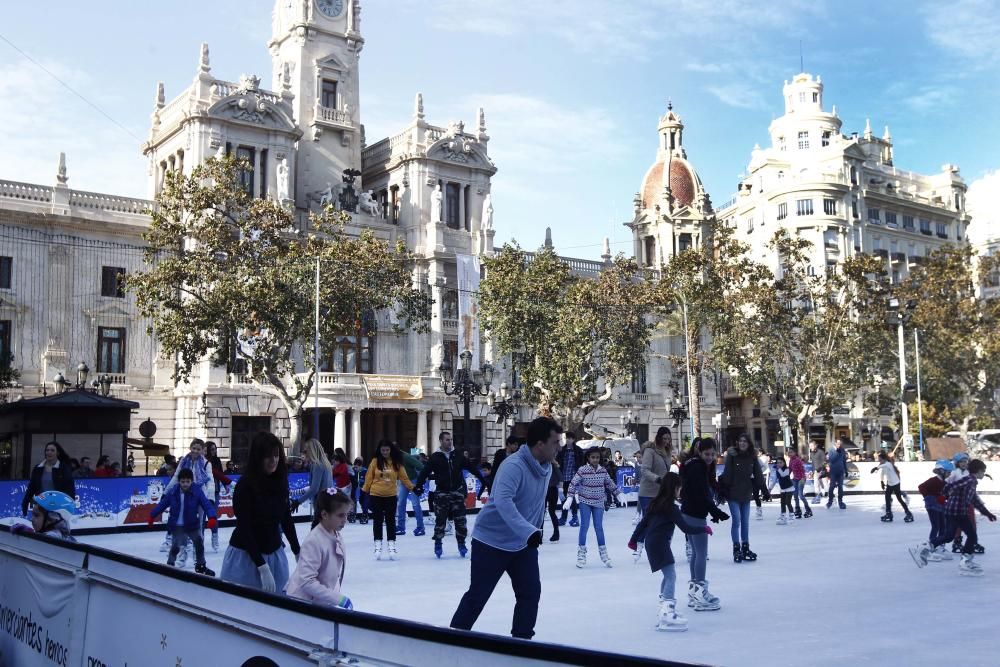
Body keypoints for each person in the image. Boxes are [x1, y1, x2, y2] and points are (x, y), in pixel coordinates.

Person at [450, 416, 562, 640]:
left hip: (523, 544)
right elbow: (503, 501)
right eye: (555, 442)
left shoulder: (546, 467)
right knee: (478, 596)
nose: (558, 447)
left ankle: (521, 643)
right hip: (491, 541)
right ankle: (451, 640)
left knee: (530, 593)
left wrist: (535, 529)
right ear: (540, 444)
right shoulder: (513, 466)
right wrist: (528, 531)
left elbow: (537, 502)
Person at [628, 472, 712, 632]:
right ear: (674, 488)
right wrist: (704, 528)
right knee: (671, 576)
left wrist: (633, 540)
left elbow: (642, 523)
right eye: (679, 488)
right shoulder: (671, 508)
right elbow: (685, 528)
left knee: (668, 575)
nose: (680, 492)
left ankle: (664, 609)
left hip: (652, 543)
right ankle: (667, 612)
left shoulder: (655, 503)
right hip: (660, 544)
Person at [220, 432, 301, 593]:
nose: (273, 461)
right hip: (245, 557)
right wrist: (261, 566)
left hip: (274, 553)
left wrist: (297, 550)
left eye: (276, 455)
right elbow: (245, 528)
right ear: (258, 458)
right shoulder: (245, 486)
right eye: (268, 456)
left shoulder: (280, 481)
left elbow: (286, 518)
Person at [913, 459, 996, 575]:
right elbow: (951, 485)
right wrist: (943, 496)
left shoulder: (971, 482)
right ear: (979, 471)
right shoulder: (969, 480)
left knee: (948, 536)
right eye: (983, 471)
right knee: (972, 536)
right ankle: (965, 562)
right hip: (957, 512)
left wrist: (987, 513)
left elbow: (974, 500)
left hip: (952, 511)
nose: (984, 474)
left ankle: (924, 547)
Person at [412, 431, 486, 559]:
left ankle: (461, 543)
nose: (450, 442)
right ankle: (438, 543)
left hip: (457, 492)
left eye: (451, 439)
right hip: (442, 493)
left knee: (460, 520)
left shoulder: (458, 455)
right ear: (441, 441)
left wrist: (483, 479)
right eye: (447, 439)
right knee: (440, 520)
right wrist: (418, 486)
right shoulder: (435, 457)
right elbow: (424, 472)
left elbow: (471, 468)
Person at [678, 437, 728, 611]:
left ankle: (694, 592)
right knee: (701, 553)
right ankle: (700, 593)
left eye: (713, 454)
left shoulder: (691, 464)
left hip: (688, 511)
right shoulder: (698, 467)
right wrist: (715, 511)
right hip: (695, 513)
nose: (710, 457)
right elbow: (701, 494)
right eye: (707, 454)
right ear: (700, 452)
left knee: (695, 554)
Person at [285, 488, 353, 610]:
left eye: (347, 514)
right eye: (341, 515)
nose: (345, 519)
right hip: (302, 605)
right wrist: (337, 598)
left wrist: (333, 595)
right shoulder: (314, 541)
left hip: (320, 602)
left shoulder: (335, 533)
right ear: (325, 514)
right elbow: (306, 581)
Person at [148, 467, 218, 576]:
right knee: (175, 546)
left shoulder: (196, 491)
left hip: (191, 524)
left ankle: (200, 565)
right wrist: (152, 516)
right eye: (183, 481)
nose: (185, 484)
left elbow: (206, 504)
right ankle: (170, 564)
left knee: (199, 543)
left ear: (191, 481)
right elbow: (163, 504)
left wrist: (212, 517)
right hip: (178, 525)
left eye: (188, 481)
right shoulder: (173, 491)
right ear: (179, 481)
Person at [566, 445, 619, 568]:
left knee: (599, 528)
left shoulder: (603, 470)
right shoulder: (583, 470)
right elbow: (573, 483)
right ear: (588, 458)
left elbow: (609, 483)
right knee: (584, 526)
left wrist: (618, 493)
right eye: (593, 457)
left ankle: (604, 554)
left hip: (599, 502)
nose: (595, 460)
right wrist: (570, 497)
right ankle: (581, 554)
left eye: (597, 457)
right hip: (585, 502)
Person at [162, 439, 214, 564]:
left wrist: (211, 497)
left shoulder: (207, 464)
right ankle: (183, 552)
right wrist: (166, 492)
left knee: (199, 526)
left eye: (198, 449)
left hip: (200, 495)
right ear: (190, 448)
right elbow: (176, 477)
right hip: (184, 495)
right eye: (193, 448)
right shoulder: (183, 461)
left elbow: (210, 481)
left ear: (202, 450)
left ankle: (197, 554)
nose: (195, 451)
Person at [718, 432, 768, 563]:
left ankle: (745, 547)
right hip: (733, 493)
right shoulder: (732, 456)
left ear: (749, 443)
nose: (742, 443)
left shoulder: (752, 457)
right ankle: (736, 548)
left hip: (746, 493)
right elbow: (727, 473)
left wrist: (764, 489)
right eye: (740, 441)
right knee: (737, 520)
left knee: (745, 522)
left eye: (744, 441)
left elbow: (758, 474)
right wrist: (723, 490)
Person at [362, 440, 414, 560]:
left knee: (390, 521)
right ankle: (378, 545)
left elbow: (404, 478)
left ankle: (391, 545)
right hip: (376, 495)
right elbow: (369, 477)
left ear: (391, 450)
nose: (385, 452)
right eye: (383, 450)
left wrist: (413, 487)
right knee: (377, 521)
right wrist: (364, 491)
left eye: (387, 450)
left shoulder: (396, 462)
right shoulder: (375, 461)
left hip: (390, 496)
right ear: (379, 450)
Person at [908, 459, 955, 565]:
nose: (950, 474)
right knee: (936, 526)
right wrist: (929, 497)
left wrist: (946, 496)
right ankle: (930, 548)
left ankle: (939, 546)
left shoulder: (945, 482)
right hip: (932, 506)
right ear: (941, 471)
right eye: (948, 472)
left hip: (941, 506)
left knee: (943, 526)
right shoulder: (933, 480)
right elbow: (921, 487)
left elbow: (944, 494)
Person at [21, 441, 76, 517]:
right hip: (42, 504)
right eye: (47, 450)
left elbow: (70, 488)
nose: (49, 452)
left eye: (52, 450)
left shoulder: (64, 468)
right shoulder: (38, 468)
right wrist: (25, 503)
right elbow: (31, 488)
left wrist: (70, 505)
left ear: (58, 453)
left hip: (58, 506)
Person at [12, 490, 78, 541]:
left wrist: (27, 536)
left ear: (51, 519)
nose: (32, 519)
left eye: (36, 515)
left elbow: (40, 544)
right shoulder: (57, 534)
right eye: (33, 515)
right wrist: (29, 532)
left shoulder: (53, 537)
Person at [293, 439, 334, 515]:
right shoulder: (325, 463)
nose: (305, 454)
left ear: (312, 451)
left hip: (321, 504)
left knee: (319, 526)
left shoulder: (317, 465)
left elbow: (314, 489)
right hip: (327, 501)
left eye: (306, 451)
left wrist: (298, 501)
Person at [639, 428, 672, 518]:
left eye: (668, 439)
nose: (666, 441)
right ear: (658, 437)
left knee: (659, 523)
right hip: (648, 494)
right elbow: (644, 470)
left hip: (662, 493)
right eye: (664, 438)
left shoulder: (668, 452)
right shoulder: (650, 451)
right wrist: (657, 479)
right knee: (648, 523)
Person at [205, 441, 232, 552]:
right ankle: (199, 540)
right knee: (201, 517)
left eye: (215, 449)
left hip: (215, 490)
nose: (214, 451)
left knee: (213, 515)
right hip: (203, 490)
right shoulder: (203, 460)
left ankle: (214, 536)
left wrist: (225, 484)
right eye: (212, 449)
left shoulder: (216, 460)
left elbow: (220, 473)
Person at [556, 431, 585, 527]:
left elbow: (582, 463)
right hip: (563, 477)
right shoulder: (561, 450)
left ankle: (573, 517)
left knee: (570, 497)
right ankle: (568, 517)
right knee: (565, 497)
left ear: (573, 439)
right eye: (566, 438)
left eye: (569, 438)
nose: (567, 440)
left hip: (574, 477)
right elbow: (557, 463)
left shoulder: (578, 450)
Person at [874, 451, 913, 523]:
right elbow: (882, 473)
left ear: (884, 459)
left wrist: (876, 468)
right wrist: (882, 481)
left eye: (880, 460)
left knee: (899, 499)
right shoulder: (883, 465)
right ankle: (888, 514)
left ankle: (908, 513)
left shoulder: (888, 464)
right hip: (889, 484)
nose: (879, 461)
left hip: (896, 483)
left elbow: (882, 466)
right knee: (887, 498)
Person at [395, 446, 426, 536]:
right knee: (401, 503)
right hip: (403, 481)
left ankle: (421, 527)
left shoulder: (406, 457)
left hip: (413, 481)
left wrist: (421, 479)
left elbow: (420, 466)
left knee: (415, 504)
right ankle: (401, 527)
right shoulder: (392, 458)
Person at [826, 438, 849, 509]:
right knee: (832, 486)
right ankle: (830, 501)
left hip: (841, 471)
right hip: (833, 471)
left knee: (840, 487)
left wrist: (846, 470)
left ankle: (840, 501)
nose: (839, 445)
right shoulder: (831, 450)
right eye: (838, 444)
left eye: (840, 444)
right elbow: (831, 460)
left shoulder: (842, 450)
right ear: (835, 443)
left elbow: (844, 461)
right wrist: (836, 452)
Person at [788, 449, 811, 518]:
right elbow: (790, 469)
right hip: (795, 479)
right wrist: (786, 476)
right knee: (795, 495)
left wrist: (803, 478)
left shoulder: (798, 460)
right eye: (788, 453)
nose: (790, 454)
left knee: (800, 495)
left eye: (791, 452)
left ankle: (808, 510)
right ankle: (798, 510)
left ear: (795, 453)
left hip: (801, 478)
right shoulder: (790, 460)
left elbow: (802, 470)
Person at [773, 456, 795, 525]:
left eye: (780, 462)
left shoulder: (787, 469)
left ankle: (792, 516)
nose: (779, 464)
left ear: (784, 463)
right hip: (783, 489)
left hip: (789, 488)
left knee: (788, 502)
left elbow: (783, 475)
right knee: (782, 503)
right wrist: (770, 488)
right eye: (778, 463)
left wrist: (778, 469)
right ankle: (783, 516)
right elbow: (775, 479)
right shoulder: (777, 470)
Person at [545, 457, 562, 542]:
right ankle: (539, 533)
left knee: (550, 512)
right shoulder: (543, 464)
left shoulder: (553, 465)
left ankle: (556, 532)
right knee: (547, 512)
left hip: (550, 489)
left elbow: (560, 477)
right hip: (546, 490)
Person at [351, 457, 369, 524]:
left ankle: (365, 513)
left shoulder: (365, 471)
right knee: (357, 500)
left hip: (364, 489)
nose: (356, 469)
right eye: (355, 467)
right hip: (356, 489)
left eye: (357, 467)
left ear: (361, 466)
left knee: (364, 501)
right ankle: (354, 513)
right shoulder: (353, 471)